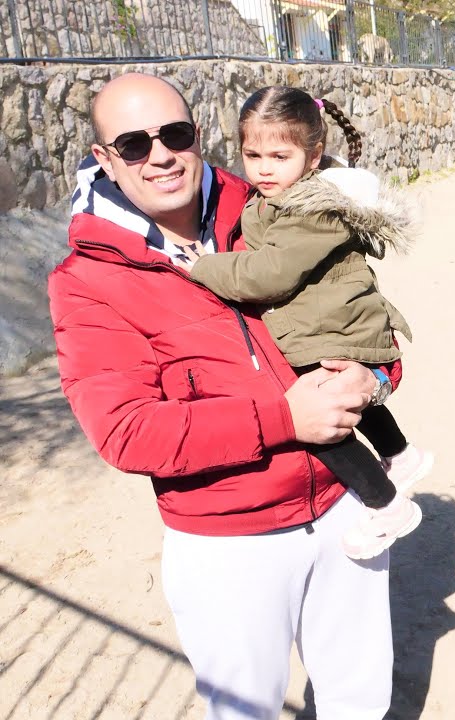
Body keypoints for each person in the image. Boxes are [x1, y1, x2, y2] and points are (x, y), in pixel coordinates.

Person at [49, 73, 394, 719]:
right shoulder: (87, 281)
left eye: (174, 134)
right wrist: (283, 418)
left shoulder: (272, 202)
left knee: (360, 696)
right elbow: (127, 431)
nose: (159, 154)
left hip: (346, 504)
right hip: (231, 541)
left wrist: (374, 380)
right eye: (132, 143)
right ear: (104, 158)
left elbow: (359, 309)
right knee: (245, 710)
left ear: (197, 134)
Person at [188, 86, 432, 560]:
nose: (262, 168)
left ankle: (388, 507)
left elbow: (268, 275)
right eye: (252, 154)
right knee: (347, 405)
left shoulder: (313, 209)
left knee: (322, 426)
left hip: (338, 331)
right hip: (332, 327)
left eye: (279, 155)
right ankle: (402, 456)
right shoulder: (279, 198)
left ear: (313, 154)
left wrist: (202, 266)